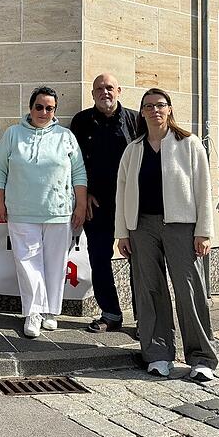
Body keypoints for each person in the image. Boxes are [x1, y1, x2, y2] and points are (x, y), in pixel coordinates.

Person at [115, 88, 218, 382]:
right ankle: (158, 354)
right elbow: (122, 194)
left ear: (170, 109)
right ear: (142, 112)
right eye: (148, 106)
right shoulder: (133, 149)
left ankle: (201, 358)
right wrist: (122, 233)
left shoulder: (188, 143)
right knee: (150, 291)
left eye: (160, 105)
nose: (154, 110)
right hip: (142, 226)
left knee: (189, 290)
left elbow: (203, 189)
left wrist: (204, 231)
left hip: (182, 226)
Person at [0, 87, 88, 338]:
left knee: (55, 264)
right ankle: (33, 311)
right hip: (22, 212)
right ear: (30, 108)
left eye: (49, 108)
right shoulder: (13, 134)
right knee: (27, 263)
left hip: (58, 211)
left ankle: (50, 311)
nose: (44, 112)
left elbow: (78, 172)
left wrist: (80, 204)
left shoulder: (66, 136)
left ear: (55, 111)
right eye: (39, 107)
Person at [70, 73, 138, 333]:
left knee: (139, 261)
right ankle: (110, 314)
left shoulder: (135, 119)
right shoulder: (82, 121)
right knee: (99, 258)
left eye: (109, 87)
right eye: (99, 88)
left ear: (119, 90)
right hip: (96, 205)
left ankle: (145, 318)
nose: (105, 92)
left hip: (131, 205)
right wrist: (83, 195)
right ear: (92, 94)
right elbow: (74, 164)